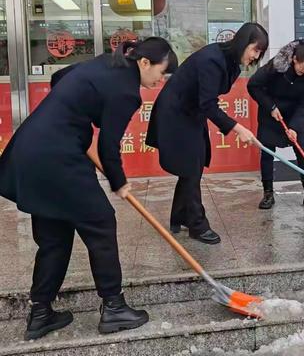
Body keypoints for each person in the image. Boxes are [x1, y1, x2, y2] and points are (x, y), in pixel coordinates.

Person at [0, 37, 177, 340]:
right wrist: (119, 182)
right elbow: (108, 146)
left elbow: (59, 78)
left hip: (31, 149)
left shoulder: (106, 63)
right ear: (144, 63)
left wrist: (72, 112)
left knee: (54, 237)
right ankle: (114, 308)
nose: (161, 80)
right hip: (58, 157)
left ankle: (40, 313)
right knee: (100, 222)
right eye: (161, 72)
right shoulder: (126, 91)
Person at [146, 23, 269, 245]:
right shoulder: (212, 60)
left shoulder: (232, 62)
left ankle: (179, 216)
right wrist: (237, 127)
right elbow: (208, 103)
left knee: (194, 163)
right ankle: (197, 225)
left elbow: (207, 101)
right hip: (176, 113)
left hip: (192, 113)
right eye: (255, 49)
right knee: (192, 165)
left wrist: (232, 125)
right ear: (243, 42)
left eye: (260, 52)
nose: (256, 56)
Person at [247, 40, 304, 210]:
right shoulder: (276, 67)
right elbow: (253, 85)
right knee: (267, 152)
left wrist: (294, 127)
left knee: (302, 152)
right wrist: (270, 106)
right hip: (271, 115)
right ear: (294, 60)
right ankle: (268, 193)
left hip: (294, 117)